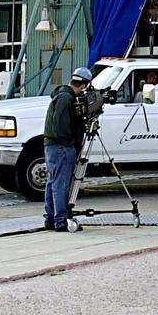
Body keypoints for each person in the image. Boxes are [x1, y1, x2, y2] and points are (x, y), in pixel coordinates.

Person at [43, 66, 91, 232]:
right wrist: (71, 142)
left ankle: (50, 219)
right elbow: (60, 125)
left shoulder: (61, 95)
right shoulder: (66, 98)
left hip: (53, 146)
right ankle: (61, 221)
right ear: (83, 85)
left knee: (53, 182)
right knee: (61, 184)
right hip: (61, 147)